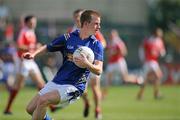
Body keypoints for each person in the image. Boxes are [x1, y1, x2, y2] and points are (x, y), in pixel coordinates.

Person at [23, 10, 103, 120]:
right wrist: (33, 54)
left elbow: (99, 70)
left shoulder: (97, 45)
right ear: (86, 23)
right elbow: (48, 47)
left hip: (74, 86)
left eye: (99, 24)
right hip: (57, 81)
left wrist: (87, 64)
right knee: (30, 109)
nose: (99, 27)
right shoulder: (68, 37)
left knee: (43, 101)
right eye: (96, 23)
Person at [3, 15, 58, 114]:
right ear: (27, 22)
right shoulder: (23, 31)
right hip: (23, 62)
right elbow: (19, 46)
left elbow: (30, 47)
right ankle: (7, 108)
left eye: (34, 22)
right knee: (17, 86)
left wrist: (36, 47)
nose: (34, 23)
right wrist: (33, 46)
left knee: (41, 84)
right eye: (32, 22)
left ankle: (52, 107)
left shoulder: (31, 31)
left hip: (30, 62)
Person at [68, 9, 106, 119]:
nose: (77, 18)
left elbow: (103, 43)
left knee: (95, 87)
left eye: (79, 16)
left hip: (92, 63)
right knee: (81, 89)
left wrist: (92, 53)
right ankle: (87, 102)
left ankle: (98, 110)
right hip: (79, 65)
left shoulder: (92, 29)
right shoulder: (72, 31)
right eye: (76, 17)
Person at [102, 29, 143, 99]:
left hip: (119, 62)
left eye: (113, 34)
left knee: (125, 79)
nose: (111, 36)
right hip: (111, 63)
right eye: (111, 34)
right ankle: (104, 95)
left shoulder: (118, 42)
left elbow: (124, 52)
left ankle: (138, 79)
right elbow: (108, 52)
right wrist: (109, 53)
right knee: (107, 79)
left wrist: (115, 53)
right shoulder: (109, 42)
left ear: (116, 35)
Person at [137, 28, 166, 100]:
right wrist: (142, 58)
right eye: (159, 33)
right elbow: (141, 48)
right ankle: (156, 93)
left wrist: (162, 53)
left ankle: (141, 94)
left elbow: (162, 51)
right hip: (149, 62)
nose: (160, 34)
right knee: (158, 76)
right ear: (156, 33)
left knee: (147, 79)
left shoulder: (159, 41)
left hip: (154, 61)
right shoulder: (149, 40)